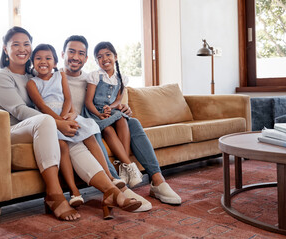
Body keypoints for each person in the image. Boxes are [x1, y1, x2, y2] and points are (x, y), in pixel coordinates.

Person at [0, 27, 141, 221]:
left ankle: (111, 191)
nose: (22, 48)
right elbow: (19, 110)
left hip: (41, 129)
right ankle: (54, 195)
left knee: (73, 139)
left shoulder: (31, 76)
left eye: (26, 44)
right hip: (11, 131)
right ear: (5, 49)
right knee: (46, 122)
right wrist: (58, 123)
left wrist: (66, 120)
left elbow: (52, 90)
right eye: (15, 44)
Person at [61, 35, 182, 209]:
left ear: (86, 58)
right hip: (86, 126)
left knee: (132, 122)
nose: (75, 57)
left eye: (81, 53)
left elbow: (107, 99)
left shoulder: (91, 77)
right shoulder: (56, 78)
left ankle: (157, 181)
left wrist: (122, 107)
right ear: (63, 53)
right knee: (92, 130)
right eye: (71, 52)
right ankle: (120, 188)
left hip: (102, 118)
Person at [26, 44, 125, 207]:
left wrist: (65, 116)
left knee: (90, 135)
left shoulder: (61, 76)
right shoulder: (32, 83)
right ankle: (74, 191)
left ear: (55, 62)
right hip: (49, 120)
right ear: (32, 62)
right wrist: (59, 121)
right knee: (63, 147)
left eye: (48, 58)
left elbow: (68, 99)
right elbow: (42, 106)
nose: (43, 61)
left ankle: (110, 177)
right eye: (38, 58)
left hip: (66, 115)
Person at [83, 41, 143, 188]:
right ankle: (130, 166)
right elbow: (88, 102)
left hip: (110, 110)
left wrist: (110, 107)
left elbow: (118, 100)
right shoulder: (95, 76)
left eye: (108, 55)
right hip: (94, 113)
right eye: (99, 57)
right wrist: (99, 113)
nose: (104, 59)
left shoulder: (121, 78)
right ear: (96, 61)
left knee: (122, 118)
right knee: (108, 128)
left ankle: (124, 167)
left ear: (115, 57)